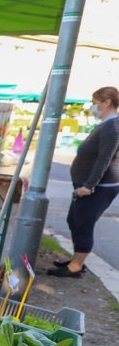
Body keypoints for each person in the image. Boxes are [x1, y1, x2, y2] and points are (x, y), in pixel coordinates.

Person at [48, 86, 119, 278]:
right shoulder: (106, 124)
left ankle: (76, 267)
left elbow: (104, 158)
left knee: (83, 224)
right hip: (92, 185)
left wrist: (89, 185)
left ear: (107, 103)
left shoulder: (112, 127)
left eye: (95, 103)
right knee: (74, 220)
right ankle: (76, 260)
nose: (92, 107)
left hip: (98, 187)